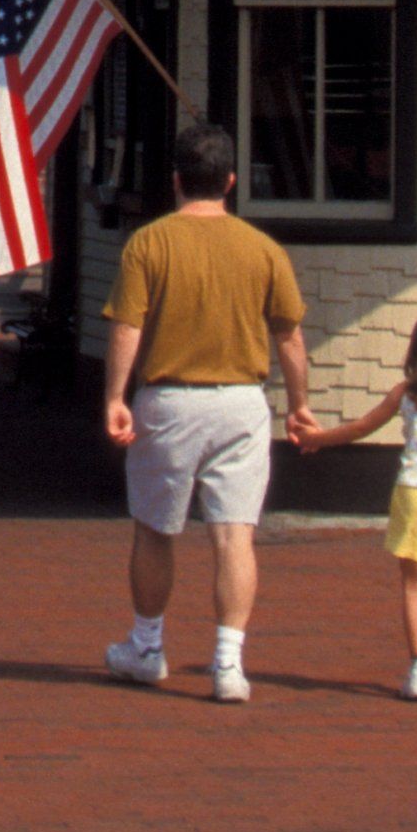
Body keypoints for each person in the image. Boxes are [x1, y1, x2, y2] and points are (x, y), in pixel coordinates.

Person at [99, 121, 307, 704]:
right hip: (241, 402)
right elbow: (288, 335)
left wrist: (115, 396)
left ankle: (146, 647)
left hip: (169, 399)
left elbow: (127, 326)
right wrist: (301, 406)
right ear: (231, 181)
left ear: (176, 181)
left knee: (156, 530)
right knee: (234, 536)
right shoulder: (263, 249)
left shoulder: (149, 243)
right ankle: (228, 663)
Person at [292, 305, 417, 700]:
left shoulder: (406, 394)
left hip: (414, 493)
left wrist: (318, 438)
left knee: (415, 584)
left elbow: (361, 427)